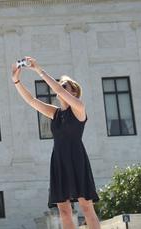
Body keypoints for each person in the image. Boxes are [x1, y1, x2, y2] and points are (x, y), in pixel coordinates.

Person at [12, 56, 100, 228]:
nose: (60, 86)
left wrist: (39, 70)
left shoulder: (79, 108)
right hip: (59, 161)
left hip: (77, 160)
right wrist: (16, 81)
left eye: (64, 85)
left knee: (86, 206)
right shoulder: (55, 113)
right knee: (64, 211)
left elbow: (58, 91)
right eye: (60, 84)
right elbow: (32, 101)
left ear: (73, 92)